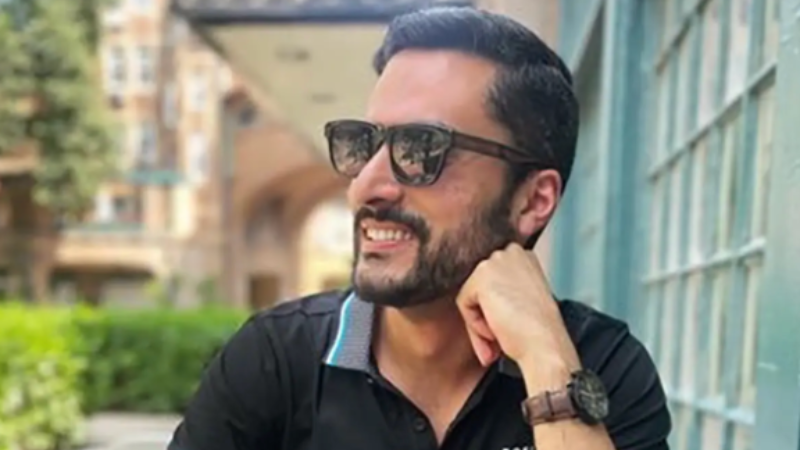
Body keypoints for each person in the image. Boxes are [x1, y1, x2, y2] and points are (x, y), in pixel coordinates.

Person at [168, 6, 671, 450]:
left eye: (421, 148)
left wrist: (547, 362)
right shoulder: (276, 361)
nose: (366, 186)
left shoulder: (602, 365)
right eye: (366, 144)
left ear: (532, 201)